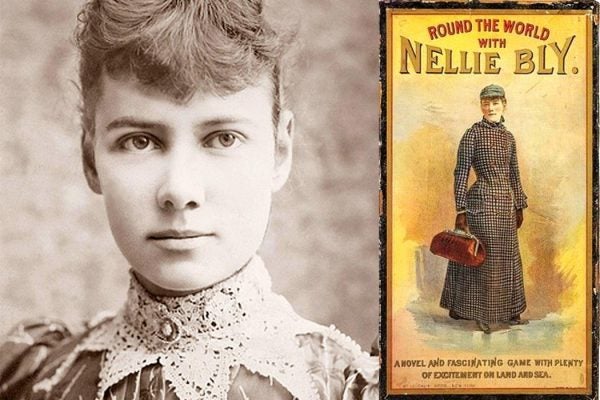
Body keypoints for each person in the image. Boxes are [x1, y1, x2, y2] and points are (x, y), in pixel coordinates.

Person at [0, 1, 378, 399]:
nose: (179, 191)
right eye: (139, 141)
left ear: (280, 151)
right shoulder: (40, 378)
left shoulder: (342, 387)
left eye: (223, 138)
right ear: (90, 159)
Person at [439, 84, 528, 335]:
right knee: (480, 257)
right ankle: (484, 313)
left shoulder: (509, 137)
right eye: (486, 103)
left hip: (505, 204)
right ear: (481, 106)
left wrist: (520, 204)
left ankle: (511, 309)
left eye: (495, 103)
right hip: (481, 203)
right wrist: (460, 209)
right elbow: (461, 173)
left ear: (504, 104)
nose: (490, 107)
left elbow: (514, 173)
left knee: (508, 257)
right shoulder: (472, 134)